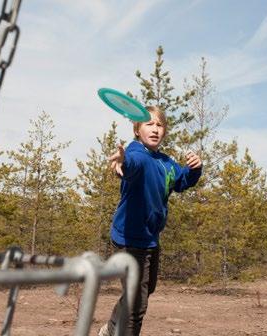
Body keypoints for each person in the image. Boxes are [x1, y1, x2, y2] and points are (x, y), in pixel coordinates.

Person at [99, 106, 202, 336]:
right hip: (128, 240)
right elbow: (132, 166)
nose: (155, 129)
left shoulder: (165, 162)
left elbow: (182, 180)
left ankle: (111, 328)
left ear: (164, 131)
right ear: (137, 129)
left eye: (159, 125)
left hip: (150, 240)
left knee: (145, 290)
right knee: (137, 306)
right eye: (148, 124)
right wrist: (122, 162)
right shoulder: (136, 154)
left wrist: (195, 168)